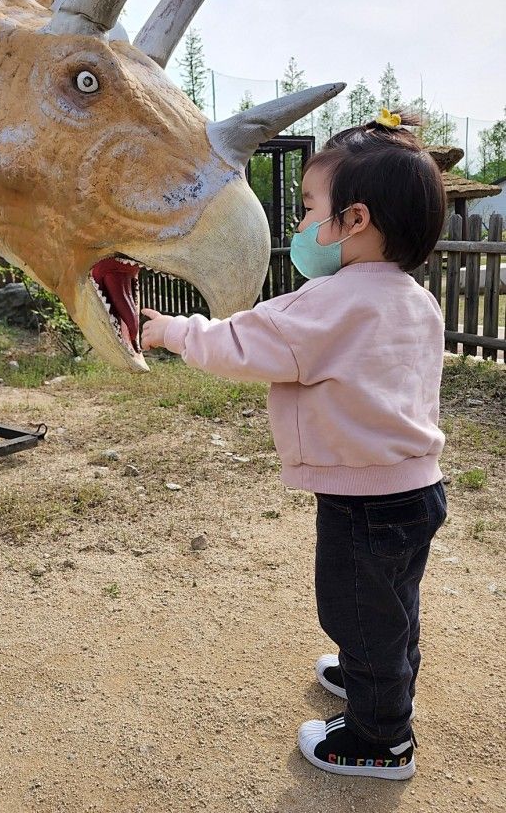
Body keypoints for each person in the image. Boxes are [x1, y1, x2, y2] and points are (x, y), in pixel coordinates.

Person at [141, 109, 448, 780]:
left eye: (309, 207)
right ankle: (382, 677)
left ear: (355, 220)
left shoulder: (328, 301)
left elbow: (238, 343)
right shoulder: (415, 300)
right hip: (417, 489)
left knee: (356, 606)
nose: (300, 224)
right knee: (392, 600)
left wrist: (169, 331)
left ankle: (379, 737)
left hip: (362, 498)